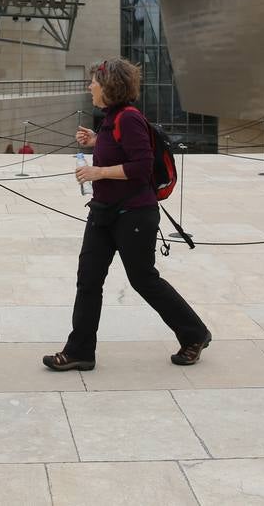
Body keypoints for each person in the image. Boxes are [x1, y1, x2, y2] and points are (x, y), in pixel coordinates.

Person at [43, 58, 211, 372]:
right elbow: (121, 150)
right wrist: (95, 141)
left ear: (108, 86)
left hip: (133, 215)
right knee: (88, 280)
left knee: (143, 279)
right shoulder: (111, 119)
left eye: (93, 81)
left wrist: (98, 171)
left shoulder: (129, 118)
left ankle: (194, 334)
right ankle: (80, 350)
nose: (89, 86)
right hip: (104, 213)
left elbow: (141, 167)